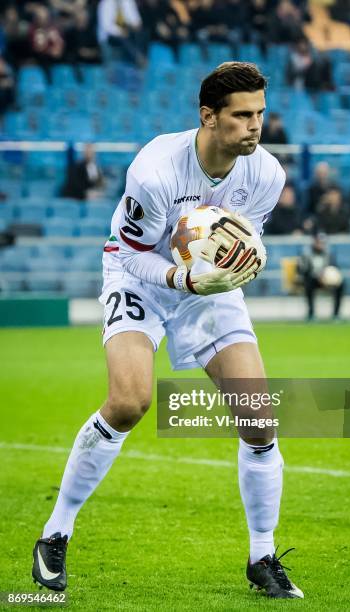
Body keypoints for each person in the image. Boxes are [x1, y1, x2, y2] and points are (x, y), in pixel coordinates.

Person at [32, 61, 304, 600]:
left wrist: (231, 267)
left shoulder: (267, 174)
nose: (255, 126)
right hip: (142, 281)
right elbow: (129, 254)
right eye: (242, 115)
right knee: (129, 401)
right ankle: (54, 533)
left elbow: (239, 244)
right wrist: (180, 275)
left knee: (260, 419)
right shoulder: (155, 169)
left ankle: (262, 554)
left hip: (206, 289)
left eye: (261, 115)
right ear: (208, 116)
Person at [298, 233, 344, 321]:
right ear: (314, 242)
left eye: (323, 243)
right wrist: (317, 276)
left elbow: (334, 267)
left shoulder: (328, 254)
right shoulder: (306, 254)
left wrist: (328, 275)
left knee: (340, 284)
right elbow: (302, 270)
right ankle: (311, 314)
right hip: (313, 280)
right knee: (309, 284)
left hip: (326, 280)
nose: (321, 244)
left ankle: (336, 314)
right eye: (319, 242)